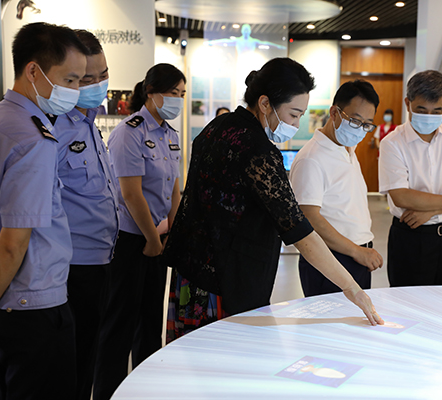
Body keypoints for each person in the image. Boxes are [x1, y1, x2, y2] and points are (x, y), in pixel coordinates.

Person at [163, 58, 383, 341]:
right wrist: (351, 288)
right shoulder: (259, 152)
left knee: (193, 355)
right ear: (265, 103)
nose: (296, 124)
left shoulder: (216, 127)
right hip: (227, 281)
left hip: (191, 273)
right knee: (226, 356)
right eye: (293, 114)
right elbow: (300, 230)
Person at [0, 22, 88, 399]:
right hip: (33, 305)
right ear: (33, 70)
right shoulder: (34, 139)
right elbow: (14, 242)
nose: (75, 91)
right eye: (70, 80)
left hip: (4, 300)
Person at [93, 63, 185, 400]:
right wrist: (150, 239)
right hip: (131, 239)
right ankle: (108, 392)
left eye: (182, 94)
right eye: (172, 93)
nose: (177, 100)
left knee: (150, 321)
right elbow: (130, 194)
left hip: (158, 239)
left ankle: (146, 390)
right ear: (151, 92)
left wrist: (172, 232)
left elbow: (174, 190)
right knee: (120, 322)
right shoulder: (129, 132)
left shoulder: (171, 135)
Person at [53, 29, 119, 400]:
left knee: (89, 356)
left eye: (103, 75)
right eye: (87, 79)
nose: (98, 85)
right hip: (72, 266)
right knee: (72, 366)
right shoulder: (56, 126)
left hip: (101, 259)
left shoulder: (89, 122)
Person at [290, 80, 383, 297]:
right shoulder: (312, 158)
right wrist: (356, 251)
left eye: (367, 124)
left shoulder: (347, 147)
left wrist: (361, 251)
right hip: (330, 259)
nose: (360, 129)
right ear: (334, 113)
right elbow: (309, 218)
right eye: (355, 120)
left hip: (357, 256)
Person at [378, 70, 442, 287]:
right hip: (411, 238)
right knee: (408, 302)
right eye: (422, 110)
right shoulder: (392, 143)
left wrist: (430, 211)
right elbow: (401, 197)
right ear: (408, 103)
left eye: (437, 111)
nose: (429, 116)